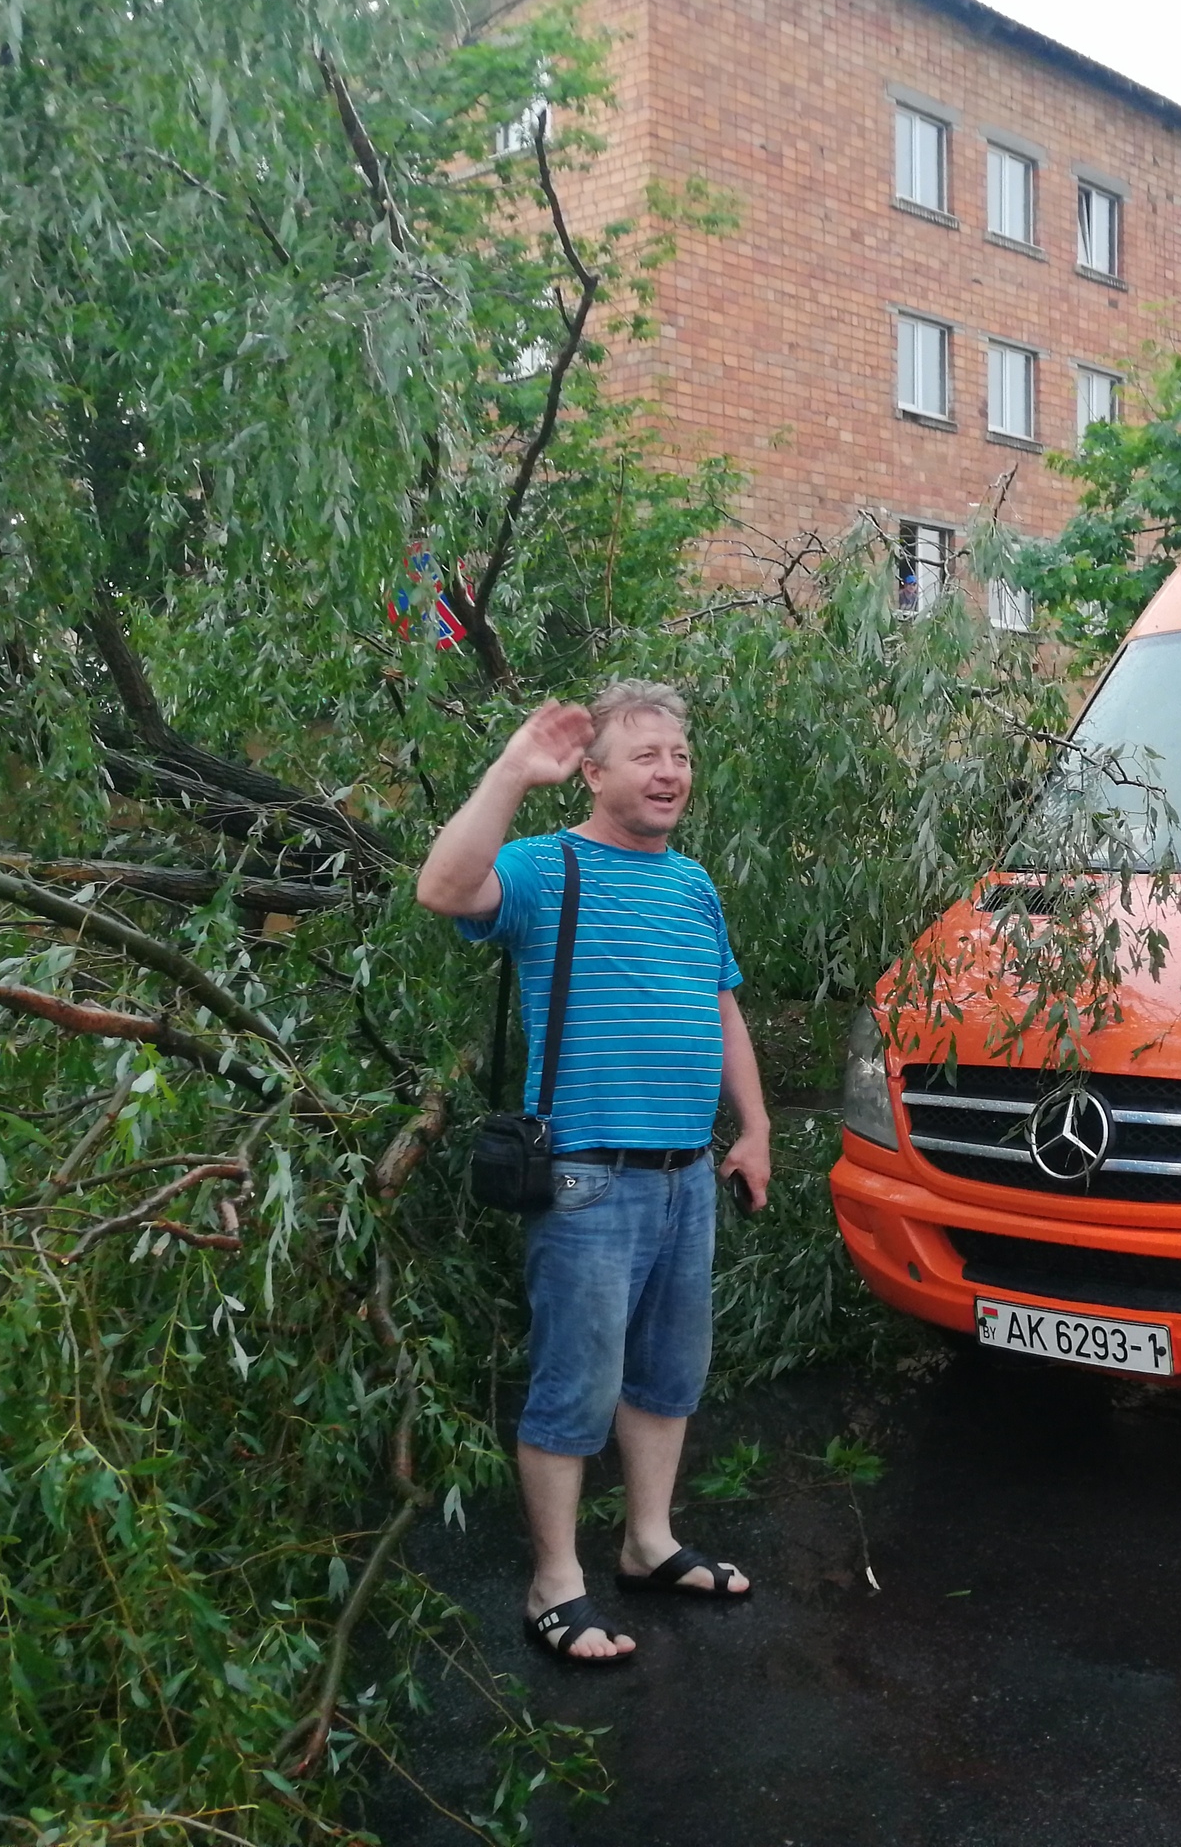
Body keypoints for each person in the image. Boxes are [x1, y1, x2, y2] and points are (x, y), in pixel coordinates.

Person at [415, 679, 773, 1664]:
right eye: (646, 755)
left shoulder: (692, 883)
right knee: (575, 1385)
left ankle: (648, 1543)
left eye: (681, 756)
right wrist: (510, 772)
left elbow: (722, 1006)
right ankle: (554, 1583)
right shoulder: (546, 866)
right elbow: (442, 889)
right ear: (593, 772)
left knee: (667, 1375)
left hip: (686, 1174)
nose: (670, 773)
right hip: (586, 1179)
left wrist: (753, 1129)